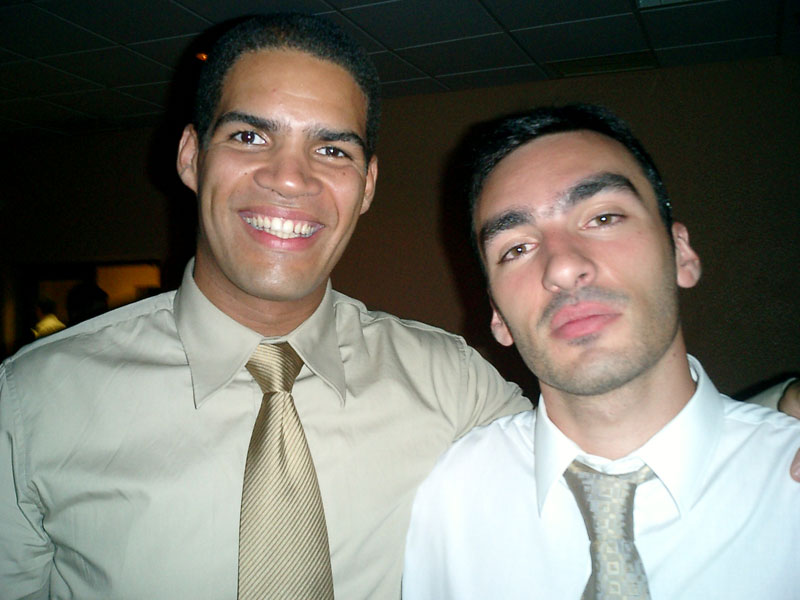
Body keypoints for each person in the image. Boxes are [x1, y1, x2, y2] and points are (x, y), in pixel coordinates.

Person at [0, 13, 530, 600]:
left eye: (332, 149)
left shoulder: (453, 386)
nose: (290, 179)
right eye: (250, 137)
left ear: (367, 185)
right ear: (191, 156)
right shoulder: (32, 403)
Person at [402, 105, 800, 599]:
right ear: (497, 316)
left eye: (602, 217)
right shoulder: (447, 499)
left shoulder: (789, 486)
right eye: (516, 248)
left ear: (681, 253)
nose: (562, 267)